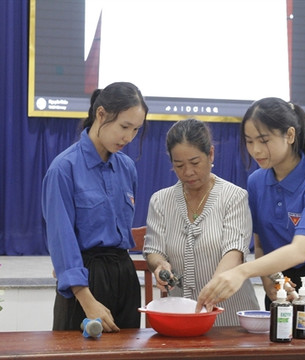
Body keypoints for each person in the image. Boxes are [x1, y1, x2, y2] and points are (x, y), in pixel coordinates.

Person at [196, 98, 305, 325]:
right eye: (249, 141)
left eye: (264, 140)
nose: (255, 150)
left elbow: (300, 251)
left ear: (289, 135)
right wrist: (270, 279)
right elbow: (260, 242)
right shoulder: (257, 181)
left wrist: (242, 272)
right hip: (283, 286)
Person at [42, 82, 149, 332]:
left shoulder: (126, 167)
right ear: (101, 114)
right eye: (124, 127)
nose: (128, 137)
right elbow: (62, 241)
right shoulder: (64, 169)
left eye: (136, 130)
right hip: (85, 283)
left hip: (124, 275)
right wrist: (87, 300)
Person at [143, 118, 260, 326]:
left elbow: (234, 251)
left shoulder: (234, 197)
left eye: (195, 163)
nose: (188, 172)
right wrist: (160, 265)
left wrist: (214, 288)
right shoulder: (160, 200)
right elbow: (153, 249)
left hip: (230, 320)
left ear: (211, 154)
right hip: (181, 319)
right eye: (179, 165)